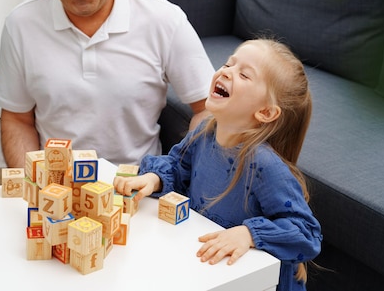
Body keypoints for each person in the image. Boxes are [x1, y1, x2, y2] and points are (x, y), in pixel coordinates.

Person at [0, 0, 214, 168]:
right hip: (55, 186)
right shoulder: (21, 24)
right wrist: (30, 190)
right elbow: (18, 119)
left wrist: (180, 172)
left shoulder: (164, 19)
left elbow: (207, 108)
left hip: (138, 185)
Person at [113, 38, 322, 291]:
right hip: (209, 268)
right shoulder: (204, 132)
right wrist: (153, 179)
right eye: (228, 64)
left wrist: (249, 234)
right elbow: (179, 167)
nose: (226, 71)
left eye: (244, 75)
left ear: (266, 113)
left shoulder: (264, 165)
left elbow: (308, 233)